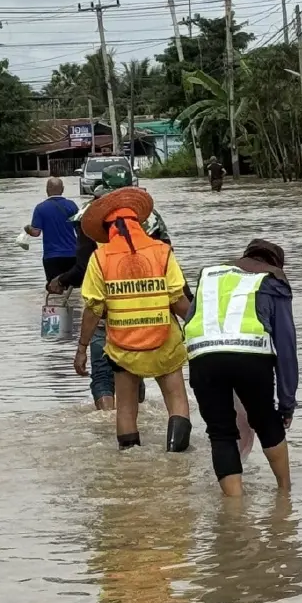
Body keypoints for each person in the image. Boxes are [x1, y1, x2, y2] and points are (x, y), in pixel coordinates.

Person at [73, 184, 193, 451]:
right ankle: (175, 460)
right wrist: (203, 328)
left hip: (123, 346)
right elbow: (178, 300)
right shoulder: (161, 251)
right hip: (165, 343)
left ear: (107, 230)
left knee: (125, 410)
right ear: (139, 223)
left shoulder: (100, 257)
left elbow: (93, 308)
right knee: (177, 401)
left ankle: (130, 465)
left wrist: (81, 348)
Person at [183, 239, 297, 497]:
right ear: (275, 264)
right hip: (251, 355)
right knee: (267, 422)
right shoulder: (273, 280)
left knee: (221, 433)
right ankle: (285, 493)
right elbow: (286, 347)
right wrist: (287, 403)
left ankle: (234, 510)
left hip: (203, 356)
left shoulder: (211, 275)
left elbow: (190, 321)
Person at [24, 176, 80, 282]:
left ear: (46, 190)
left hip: (51, 256)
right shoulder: (71, 205)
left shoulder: (40, 208)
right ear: (62, 189)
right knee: (74, 290)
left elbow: (36, 233)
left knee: (55, 289)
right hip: (72, 255)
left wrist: (27, 228)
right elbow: (79, 229)